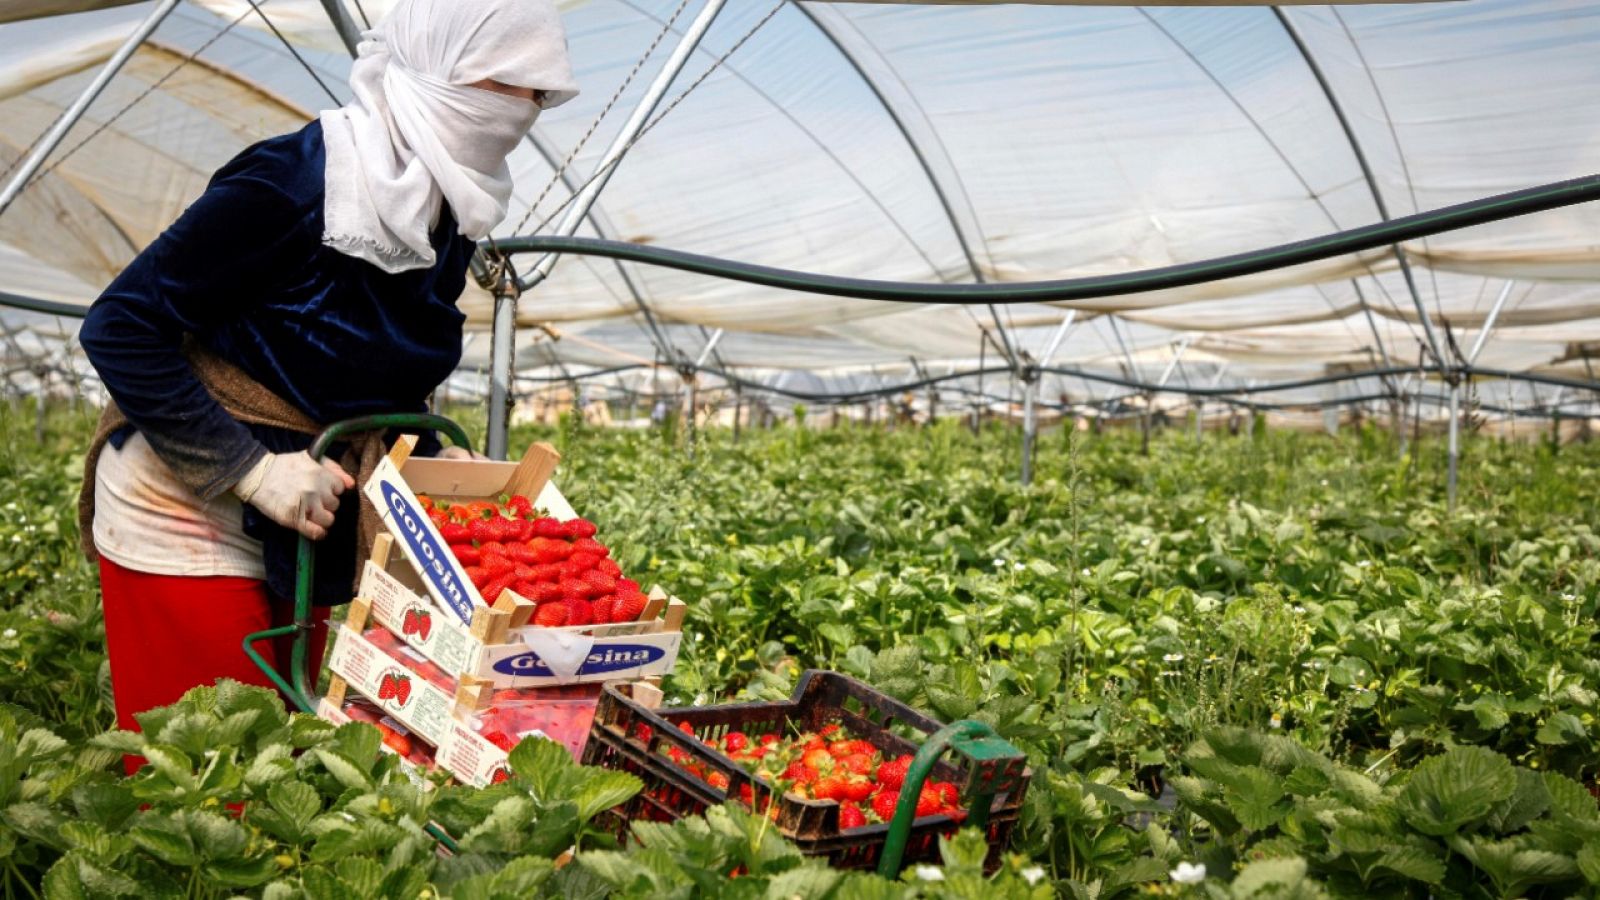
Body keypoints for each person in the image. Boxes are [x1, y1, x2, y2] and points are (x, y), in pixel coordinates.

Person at [76, 0, 578, 752]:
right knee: (208, 765)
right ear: (440, 66)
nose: (527, 113)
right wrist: (249, 471)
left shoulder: (442, 205)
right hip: (187, 495)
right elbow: (119, 326)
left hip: (308, 508)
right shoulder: (296, 181)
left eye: (539, 95)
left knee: (287, 752)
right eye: (511, 85)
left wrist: (434, 462)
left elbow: (373, 371)